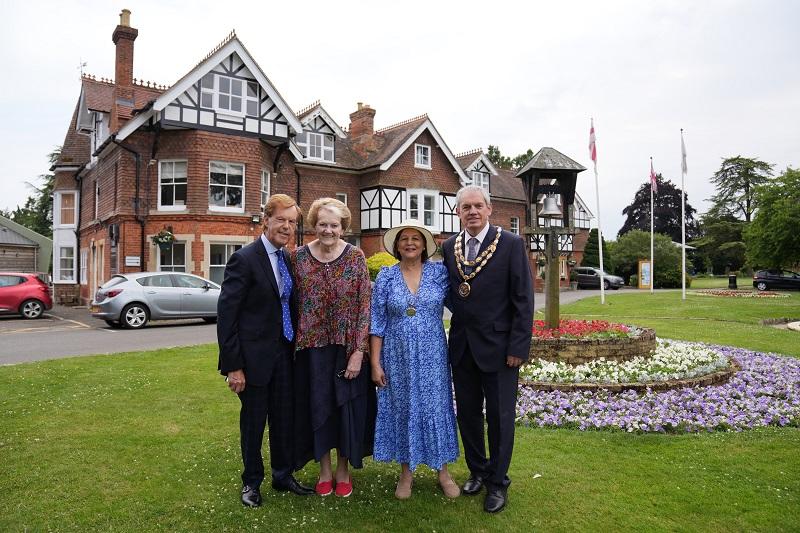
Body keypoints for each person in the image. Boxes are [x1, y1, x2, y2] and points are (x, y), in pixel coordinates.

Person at [217, 193, 315, 508]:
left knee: (284, 419)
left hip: (285, 355)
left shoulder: (288, 259)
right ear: (266, 220)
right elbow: (227, 317)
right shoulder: (244, 259)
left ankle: (283, 475)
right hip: (254, 360)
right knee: (254, 423)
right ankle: (251, 483)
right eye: (281, 220)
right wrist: (234, 367)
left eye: (292, 222)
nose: (286, 227)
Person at [442, 185, 534, 513]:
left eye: (478, 206)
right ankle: (477, 471)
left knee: (499, 418)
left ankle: (498, 482)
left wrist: (518, 347)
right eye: (465, 207)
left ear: (489, 209)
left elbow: (523, 299)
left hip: (500, 349)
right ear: (458, 212)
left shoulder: (510, 244)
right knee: (467, 415)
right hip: (463, 348)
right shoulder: (450, 246)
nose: (472, 212)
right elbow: (451, 294)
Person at [370, 219, 460, 500]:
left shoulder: (439, 274)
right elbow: (377, 322)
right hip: (396, 355)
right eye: (404, 239)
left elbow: (464, 303)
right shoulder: (385, 276)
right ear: (396, 246)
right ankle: (406, 473)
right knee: (404, 408)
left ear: (424, 245)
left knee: (435, 408)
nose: (410, 243)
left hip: (432, 353)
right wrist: (375, 362)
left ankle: (442, 471)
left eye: (416, 238)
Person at [291, 197, 374, 498]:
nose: (328, 230)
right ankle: (324, 470)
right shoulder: (298, 257)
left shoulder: (356, 257)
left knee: (345, 410)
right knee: (318, 408)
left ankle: (343, 470)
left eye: (334, 225)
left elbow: (366, 306)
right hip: (311, 348)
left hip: (346, 347)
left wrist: (358, 351)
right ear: (314, 225)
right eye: (323, 224)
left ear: (343, 227)